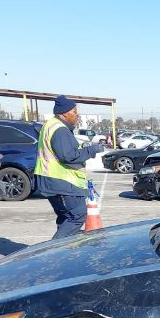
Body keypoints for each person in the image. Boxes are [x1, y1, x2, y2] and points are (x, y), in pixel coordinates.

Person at [34, 95, 105, 238]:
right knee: (77, 215)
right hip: (61, 181)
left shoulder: (51, 125)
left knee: (65, 218)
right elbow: (67, 155)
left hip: (51, 180)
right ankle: (53, 253)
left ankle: (65, 252)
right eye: (74, 112)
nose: (77, 116)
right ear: (65, 113)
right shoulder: (60, 129)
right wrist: (92, 150)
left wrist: (83, 148)